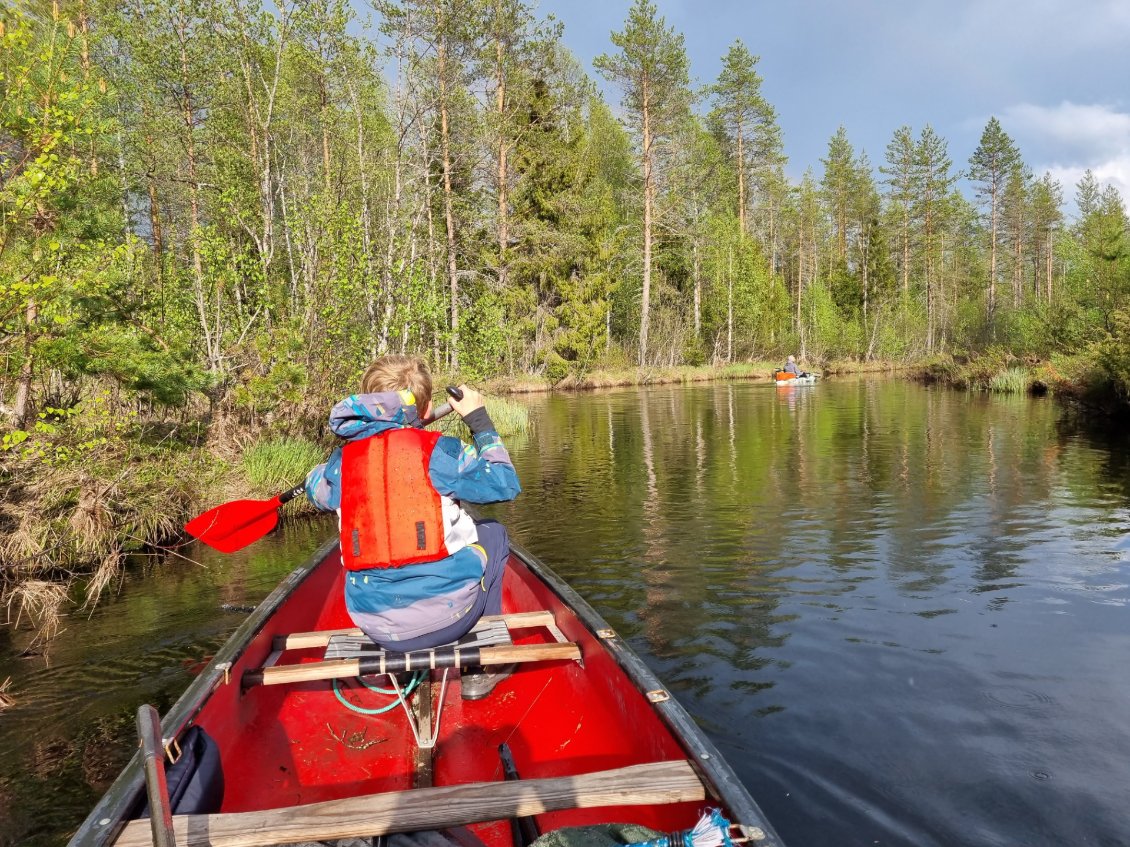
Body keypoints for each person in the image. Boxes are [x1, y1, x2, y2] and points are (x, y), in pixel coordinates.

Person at [304, 354, 522, 699]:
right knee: (493, 533)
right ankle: (479, 669)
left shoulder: (340, 465)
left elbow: (316, 492)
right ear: (426, 408)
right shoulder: (442, 452)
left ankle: (401, 670)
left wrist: (339, 459)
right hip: (451, 619)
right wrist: (479, 422)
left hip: (373, 625)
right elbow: (504, 483)